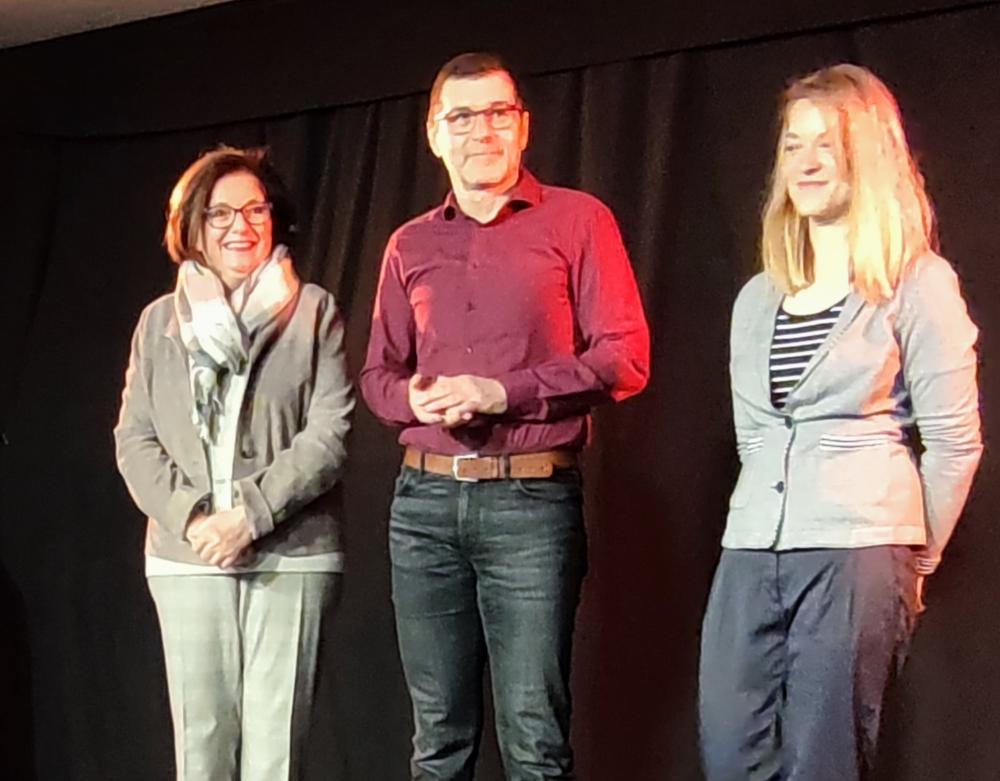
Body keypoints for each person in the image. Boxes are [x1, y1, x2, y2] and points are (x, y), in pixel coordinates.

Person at [360, 52, 650, 780]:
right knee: (437, 742)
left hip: (530, 500)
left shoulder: (578, 220)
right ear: (434, 133)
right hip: (423, 504)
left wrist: (503, 392)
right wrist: (411, 400)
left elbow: (626, 357)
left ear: (523, 126)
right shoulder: (410, 242)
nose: (480, 130)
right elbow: (376, 374)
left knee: (535, 741)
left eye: (497, 113)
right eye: (462, 116)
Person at [698, 63, 983, 781]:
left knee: (823, 760)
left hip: (859, 549)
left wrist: (912, 563)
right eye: (794, 145)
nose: (808, 161)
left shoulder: (917, 283)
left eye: (829, 143)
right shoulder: (758, 299)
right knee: (729, 752)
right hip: (751, 549)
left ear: (872, 155)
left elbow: (953, 442)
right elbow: (755, 436)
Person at [114, 146, 353, 781]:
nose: (239, 226)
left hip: (292, 553)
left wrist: (250, 514)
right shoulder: (157, 322)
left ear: (275, 220)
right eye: (220, 213)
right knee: (202, 751)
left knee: (277, 758)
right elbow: (134, 440)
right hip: (184, 555)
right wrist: (195, 520)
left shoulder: (315, 311)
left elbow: (329, 434)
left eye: (255, 209)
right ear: (190, 225)